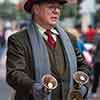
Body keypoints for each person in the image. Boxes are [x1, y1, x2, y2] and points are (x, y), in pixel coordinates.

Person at [6, 0, 90, 100]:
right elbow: (14, 74)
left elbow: (83, 66)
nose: (56, 11)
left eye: (58, 7)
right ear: (36, 9)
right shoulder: (18, 40)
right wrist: (34, 88)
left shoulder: (70, 38)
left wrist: (83, 87)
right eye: (51, 7)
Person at [90, 22, 100, 98]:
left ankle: (93, 92)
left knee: (96, 77)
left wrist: (91, 53)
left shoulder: (97, 36)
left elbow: (94, 49)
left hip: (98, 60)